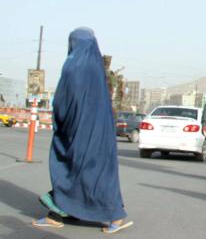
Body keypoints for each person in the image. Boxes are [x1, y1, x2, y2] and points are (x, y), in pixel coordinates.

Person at [32, 27, 133, 234]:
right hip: (101, 132)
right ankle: (66, 212)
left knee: (73, 170)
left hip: (78, 132)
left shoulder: (73, 67)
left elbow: (64, 102)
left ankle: (114, 214)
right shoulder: (97, 69)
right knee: (98, 171)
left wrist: (60, 119)